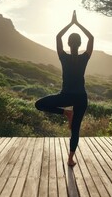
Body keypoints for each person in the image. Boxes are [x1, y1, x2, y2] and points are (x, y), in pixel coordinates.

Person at [35, 10, 94, 167]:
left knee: (39, 104)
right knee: (75, 130)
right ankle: (70, 158)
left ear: (68, 43)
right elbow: (91, 38)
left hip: (66, 96)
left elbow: (58, 37)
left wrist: (71, 24)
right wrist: (78, 24)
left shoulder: (63, 57)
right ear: (80, 44)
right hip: (81, 97)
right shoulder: (84, 58)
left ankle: (66, 112)